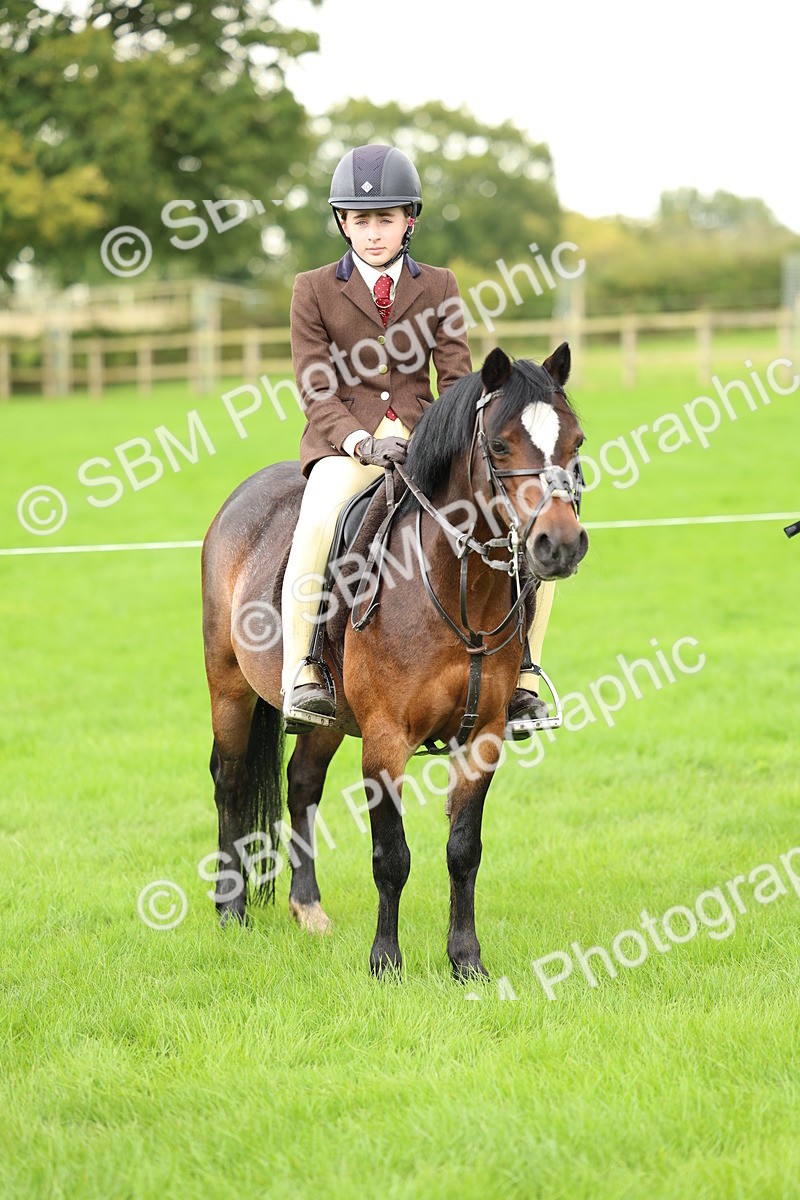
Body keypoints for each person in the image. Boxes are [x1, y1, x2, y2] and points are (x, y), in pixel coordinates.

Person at [280, 143, 555, 733]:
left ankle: (526, 676)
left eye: (385, 219)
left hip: (426, 443)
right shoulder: (312, 288)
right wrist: (359, 442)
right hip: (347, 446)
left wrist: (440, 438)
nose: (372, 233)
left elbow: (456, 380)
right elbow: (315, 388)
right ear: (342, 223)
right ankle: (302, 669)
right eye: (360, 220)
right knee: (319, 520)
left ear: (410, 220)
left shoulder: (439, 284)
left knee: (524, 523)